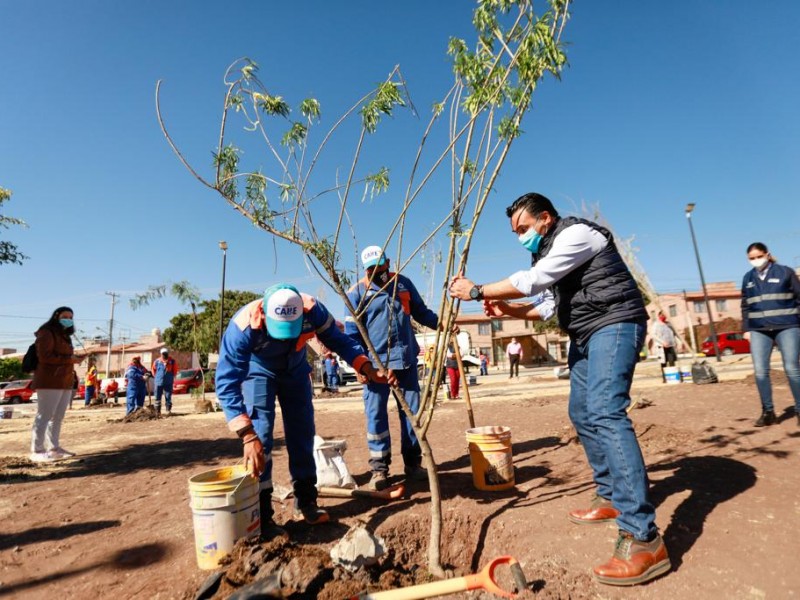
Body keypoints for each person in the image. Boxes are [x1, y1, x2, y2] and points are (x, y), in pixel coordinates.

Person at [449, 192, 670, 586]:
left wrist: (479, 290)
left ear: (545, 219)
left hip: (615, 322)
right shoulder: (548, 253)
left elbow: (534, 281)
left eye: (523, 229)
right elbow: (547, 306)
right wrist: (510, 310)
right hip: (586, 331)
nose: (520, 237)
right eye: (515, 232)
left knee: (604, 411)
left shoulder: (577, 236)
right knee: (581, 413)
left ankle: (643, 538)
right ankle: (610, 497)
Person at [216, 283, 389, 530]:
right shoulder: (243, 327)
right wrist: (246, 434)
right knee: (261, 438)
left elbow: (339, 340)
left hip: (296, 370)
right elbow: (226, 381)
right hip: (259, 372)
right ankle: (263, 514)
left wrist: (365, 366)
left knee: (302, 432)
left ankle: (306, 501)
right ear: (265, 314)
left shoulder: (313, 310)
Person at [345, 245, 440, 491]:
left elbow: (420, 312)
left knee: (411, 414)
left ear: (388, 262)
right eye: (372, 269)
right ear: (365, 269)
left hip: (406, 359)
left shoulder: (404, 284)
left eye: (382, 266)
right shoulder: (356, 293)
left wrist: (441, 324)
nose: (379, 272)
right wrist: (359, 365)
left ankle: (413, 463)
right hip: (375, 366)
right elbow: (352, 335)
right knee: (376, 414)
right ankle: (379, 469)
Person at [741, 242, 800, 427]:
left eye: (758, 256)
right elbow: (745, 305)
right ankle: (768, 412)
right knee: (760, 372)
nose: (756, 261)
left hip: (787, 326)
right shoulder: (748, 278)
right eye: (751, 258)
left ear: (767, 254)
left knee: (791, 368)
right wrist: (746, 329)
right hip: (759, 330)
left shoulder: (785, 272)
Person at [30, 306, 82, 462]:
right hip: (49, 380)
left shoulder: (65, 335)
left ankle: (54, 448)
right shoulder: (46, 332)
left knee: (58, 416)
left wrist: (74, 359)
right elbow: (45, 357)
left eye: (71, 317)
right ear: (56, 316)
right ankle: (37, 450)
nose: (68, 319)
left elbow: (63, 355)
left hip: (64, 380)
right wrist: (70, 359)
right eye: (65, 316)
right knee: (44, 415)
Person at [651, 311, 677, 382]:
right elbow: (653, 335)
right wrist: (662, 342)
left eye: (665, 315)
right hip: (661, 347)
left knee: (672, 361)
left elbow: (674, 333)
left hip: (670, 345)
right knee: (663, 362)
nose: (663, 316)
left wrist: (677, 342)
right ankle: (665, 378)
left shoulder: (668, 324)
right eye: (662, 315)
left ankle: (673, 377)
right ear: (659, 315)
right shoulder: (656, 324)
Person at [152, 348, 179, 416]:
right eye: (163, 354)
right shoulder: (157, 361)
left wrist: (171, 377)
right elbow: (153, 370)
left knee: (168, 396)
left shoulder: (172, 361)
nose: (164, 355)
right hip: (158, 382)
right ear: (161, 354)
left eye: (166, 353)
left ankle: (168, 411)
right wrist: (157, 377)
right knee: (157, 397)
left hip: (168, 382)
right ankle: (158, 412)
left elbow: (175, 371)